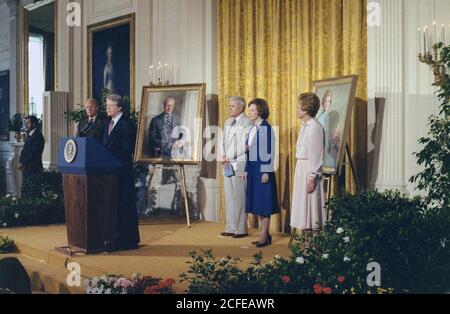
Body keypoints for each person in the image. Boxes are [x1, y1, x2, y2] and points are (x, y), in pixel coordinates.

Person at [102, 94, 140, 251]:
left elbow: (126, 149)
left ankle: (127, 241)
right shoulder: (107, 123)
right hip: (110, 172)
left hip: (122, 172)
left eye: (110, 105)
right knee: (114, 205)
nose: (107, 108)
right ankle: (115, 237)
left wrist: (110, 157)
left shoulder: (126, 125)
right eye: (106, 105)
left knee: (124, 205)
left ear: (119, 107)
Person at [244, 98, 279, 248]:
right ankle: (265, 233)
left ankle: (264, 234)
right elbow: (249, 151)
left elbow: (269, 151)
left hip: (263, 169)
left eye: (252, 110)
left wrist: (266, 171)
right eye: (249, 110)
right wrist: (246, 169)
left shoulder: (266, 128)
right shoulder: (253, 128)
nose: (249, 113)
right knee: (257, 202)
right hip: (252, 169)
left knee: (264, 203)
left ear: (260, 111)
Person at [291, 92, 326, 233]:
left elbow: (316, 154)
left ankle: (314, 244)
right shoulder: (304, 126)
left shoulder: (315, 127)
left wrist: (311, 177)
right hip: (301, 167)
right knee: (302, 205)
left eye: (298, 107)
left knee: (311, 204)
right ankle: (306, 241)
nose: (296, 110)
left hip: (309, 169)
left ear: (306, 109)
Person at [221, 96, 252, 238]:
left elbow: (244, 145)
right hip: (226, 163)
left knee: (239, 196)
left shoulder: (248, 122)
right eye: (229, 106)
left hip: (239, 162)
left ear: (241, 107)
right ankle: (230, 227)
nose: (230, 108)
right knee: (229, 196)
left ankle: (241, 229)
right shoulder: (228, 121)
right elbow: (222, 140)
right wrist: (222, 155)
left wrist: (230, 156)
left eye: (232, 106)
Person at [18, 116, 45, 181]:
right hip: (26, 168)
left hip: (34, 168)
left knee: (33, 189)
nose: (26, 125)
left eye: (28, 123)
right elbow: (24, 151)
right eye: (25, 123)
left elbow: (34, 153)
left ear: (34, 124)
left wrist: (23, 162)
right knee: (26, 189)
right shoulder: (29, 135)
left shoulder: (38, 136)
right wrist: (20, 162)